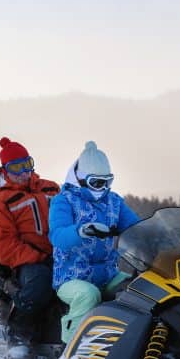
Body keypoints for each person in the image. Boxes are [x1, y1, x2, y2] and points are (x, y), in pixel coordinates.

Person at [49, 141, 141, 343]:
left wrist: (159, 236)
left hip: (108, 275)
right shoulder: (64, 200)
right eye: (97, 183)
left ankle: (128, 347)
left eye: (108, 182)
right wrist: (81, 230)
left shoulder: (114, 202)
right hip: (71, 277)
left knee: (142, 288)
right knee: (88, 295)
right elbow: (58, 236)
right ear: (81, 180)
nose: (104, 188)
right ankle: (70, 350)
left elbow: (136, 228)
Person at [0, 136, 60, 359]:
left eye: (27, 164)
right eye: (16, 168)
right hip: (24, 262)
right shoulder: (0, 202)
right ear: (6, 170)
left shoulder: (51, 189)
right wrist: (38, 257)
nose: (23, 172)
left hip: (61, 254)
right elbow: (4, 244)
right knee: (41, 283)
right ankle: (18, 335)